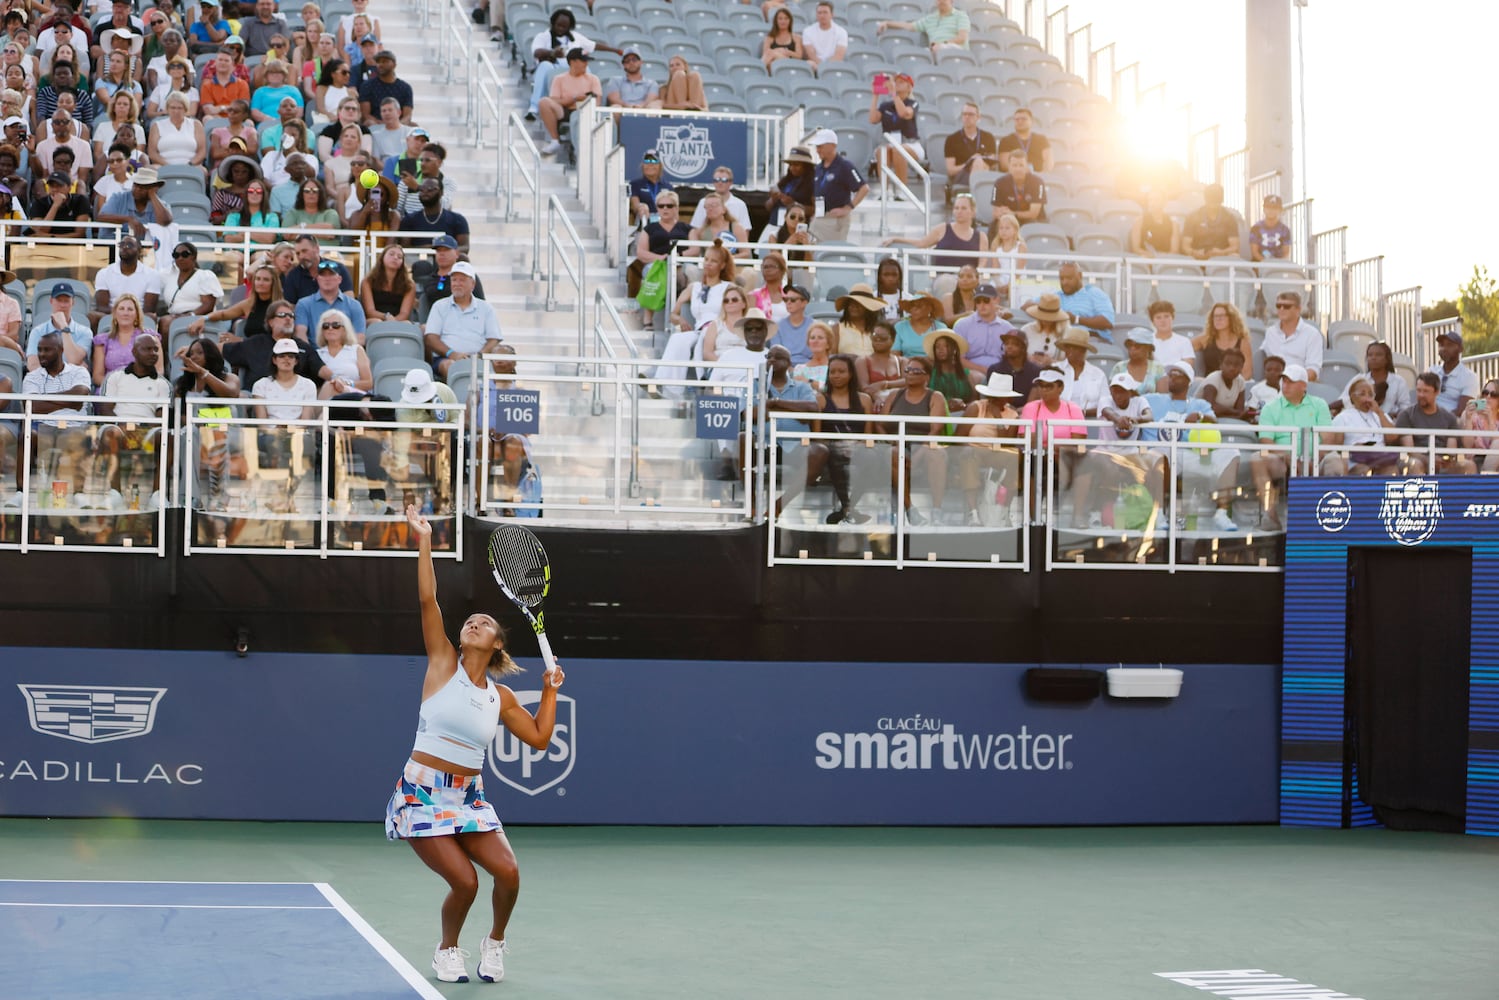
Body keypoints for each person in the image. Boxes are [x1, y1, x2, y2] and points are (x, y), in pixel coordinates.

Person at [386, 500, 563, 985]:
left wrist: (548, 691)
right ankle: (448, 950)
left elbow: (541, 739)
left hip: (469, 796)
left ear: (497, 644)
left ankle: (496, 942)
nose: (473, 623)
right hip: (421, 792)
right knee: (464, 882)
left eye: (484, 623)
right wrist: (423, 539)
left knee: (508, 874)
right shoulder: (442, 664)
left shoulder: (500, 696)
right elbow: (429, 602)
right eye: (470, 622)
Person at [1252, 363, 1331, 528]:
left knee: (1336, 461)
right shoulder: (1270, 408)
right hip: (1283, 460)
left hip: (1315, 458)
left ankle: (1330, 517)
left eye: (1291, 382)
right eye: (1284, 381)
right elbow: (1266, 442)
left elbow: (1328, 439)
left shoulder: (1319, 404)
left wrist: (1314, 460)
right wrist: (1291, 458)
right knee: (1257, 459)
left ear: (1303, 385)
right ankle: (1270, 515)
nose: (1285, 385)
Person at [96, 332, 170, 490]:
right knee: (110, 433)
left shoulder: (163, 383)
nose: (153, 353)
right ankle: (115, 493)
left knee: (167, 436)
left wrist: (142, 430)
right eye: (147, 349)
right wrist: (124, 426)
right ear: (134, 352)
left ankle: (158, 494)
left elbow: (163, 417)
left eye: (156, 350)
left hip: (147, 433)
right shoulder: (114, 377)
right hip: (120, 429)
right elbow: (105, 410)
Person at [881, 353, 949, 524]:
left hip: (924, 445)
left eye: (916, 371)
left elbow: (935, 430)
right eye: (908, 369)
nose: (910, 373)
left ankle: (937, 511)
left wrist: (917, 456)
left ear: (927, 376)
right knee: (895, 453)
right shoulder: (894, 395)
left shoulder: (935, 397)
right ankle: (911, 509)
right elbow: (880, 424)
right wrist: (890, 441)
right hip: (896, 445)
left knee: (937, 454)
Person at [815, 353, 873, 524]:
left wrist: (855, 446)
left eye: (841, 371)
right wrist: (838, 445)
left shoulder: (864, 400)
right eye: (832, 372)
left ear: (851, 374)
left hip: (858, 447)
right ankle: (849, 509)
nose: (836, 376)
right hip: (831, 447)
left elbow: (868, 436)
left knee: (874, 457)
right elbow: (817, 436)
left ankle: (846, 508)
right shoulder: (821, 399)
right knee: (835, 455)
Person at [425, 262, 501, 381]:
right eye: (454, 280)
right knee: (450, 365)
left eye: (462, 280)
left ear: (473, 284)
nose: (457, 284)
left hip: (478, 359)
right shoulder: (439, 306)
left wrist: (478, 357)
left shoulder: (486, 308)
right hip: (446, 358)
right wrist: (452, 354)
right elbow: (431, 338)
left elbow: (494, 339)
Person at [626, 191, 689, 325]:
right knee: (653, 273)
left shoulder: (686, 228)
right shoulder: (650, 228)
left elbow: (695, 249)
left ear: (676, 208)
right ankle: (648, 319)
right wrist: (661, 258)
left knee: (688, 273)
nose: (665, 209)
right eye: (661, 206)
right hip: (656, 264)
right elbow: (641, 253)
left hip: (680, 264)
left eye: (669, 205)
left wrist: (678, 257)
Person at [884, 192, 988, 272]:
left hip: (969, 280)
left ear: (973, 211)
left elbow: (982, 264)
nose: (959, 211)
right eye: (956, 208)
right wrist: (896, 239)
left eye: (964, 208)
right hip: (943, 277)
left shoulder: (981, 237)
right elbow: (921, 243)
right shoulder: (942, 229)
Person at [1397, 371, 1476, 475]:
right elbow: (1409, 450)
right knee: (1414, 464)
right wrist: (1429, 460)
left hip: (1442, 462)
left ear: (1437, 392)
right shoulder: (1406, 415)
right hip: (1417, 459)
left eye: (1426, 391)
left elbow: (1451, 450)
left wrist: (1445, 460)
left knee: (1468, 465)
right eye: (1419, 390)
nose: (1421, 395)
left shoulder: (1449, 418)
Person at [1321, 375, 1400, 477]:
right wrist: (1354, 448)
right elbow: (1336, 449)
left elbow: (1392, 438)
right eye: (1363, 394)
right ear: (1353, 397)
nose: (1368, 399)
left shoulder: (1381, 415)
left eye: (1371, 395)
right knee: (1364, 470)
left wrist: (1379, 412)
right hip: (1354, 461)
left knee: (1392, 470)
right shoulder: (1343, 417)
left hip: (1381, 459)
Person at [189, 262, 281, 340]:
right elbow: (223, 314)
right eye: (258, 279)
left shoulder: (281, 307)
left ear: (273, 283)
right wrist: (203, 319)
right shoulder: (249, 304)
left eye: (266, 280)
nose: (260, 283)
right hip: (249, 352)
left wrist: (239, 341)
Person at [808, 127, 867, 243]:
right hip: (819, 217)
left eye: (820, 146)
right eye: (817, 147)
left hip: (834, 219)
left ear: (832, 146)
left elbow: (864, 188)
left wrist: (848, 207)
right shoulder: (819, 168)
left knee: (830, 252)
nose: (817, 150)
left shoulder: (844, 166)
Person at [537, 47, 599, 158]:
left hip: (585, 111)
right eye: (583, 61)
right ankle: (555, 140)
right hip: (566, 110)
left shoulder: (593, 79)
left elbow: (597, 102)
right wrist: (574, 98)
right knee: (544, 102)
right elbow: (554, 100)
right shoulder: (559, 79)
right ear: (573, 62)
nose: (586, 64)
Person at [92, 233, 162, 328]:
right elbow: (102, 307)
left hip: (139, 315)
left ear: (139, 250)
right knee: (93, 316)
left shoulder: (152, 275)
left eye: (129, 245)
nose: (124, 247)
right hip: (111, 314)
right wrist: (122, 314)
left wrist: (130, 314)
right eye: (121, 245)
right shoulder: (104, 273)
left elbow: (149, 308)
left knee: (151, 317)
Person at [868, 72, 922, 185]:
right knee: (882, 151)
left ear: (909, 87)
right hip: (890, 143)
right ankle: (884, 191)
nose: (896, 84)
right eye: (895, 82)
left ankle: (901, 190)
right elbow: (873, 119)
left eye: (901, 82)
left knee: (899, 150)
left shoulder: (913, 103)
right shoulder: (886, 105)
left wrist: (893, 94)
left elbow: (904, 113)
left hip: (910, 143)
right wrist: (875, 96)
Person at [295, 258, 367, 341]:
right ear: (317, 279)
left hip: (346, 351)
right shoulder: (304, 304)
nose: (327, 278)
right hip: (314, 351)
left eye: (331, 274)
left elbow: (360, 337)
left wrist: (344, 353)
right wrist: (311, 354)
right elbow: (300, 334)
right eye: (323, 275)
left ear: (339, 279)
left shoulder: (354, 305)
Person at [159, 241, 221, 336]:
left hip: (198, 318)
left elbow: (208, 306)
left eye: (185, 254)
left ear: (194, 257)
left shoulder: (205, 276)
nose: (180, 258)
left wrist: (189, 315)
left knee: (166, 322)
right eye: (176, 255)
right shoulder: (169, 276)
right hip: (174, 316)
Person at [26, 282, 93, 370]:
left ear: (73, 302)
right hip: (44, 382)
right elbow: (33, 365)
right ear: (51, 301)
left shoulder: (85, 332)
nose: (62, 305)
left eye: (66, 301)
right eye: (59, 300)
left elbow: (73, 359)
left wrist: (64, 327)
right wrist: (66, 370)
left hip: (73, 382)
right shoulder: (38, 331)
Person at [952, 282, 1012, 375]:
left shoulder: (1007, 328)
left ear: (997, 300)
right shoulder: (962, 325)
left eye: (986, 300)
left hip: (1000, 371)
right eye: (978, 301)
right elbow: (958, 358)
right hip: (971, 370)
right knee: (975, 376)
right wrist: (984, 370)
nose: (982, 304)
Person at [1260, 291, 1322, 381]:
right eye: (1278, 306)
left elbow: (1313, 370)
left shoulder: (1312, 334)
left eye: (1287, 306)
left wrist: (1292, 383)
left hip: (1299, 386)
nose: (1281, 309)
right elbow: (1261, 357)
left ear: (1298, 309)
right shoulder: (1270, 332)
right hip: (1273, 385)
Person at [91, 293, 152, 386]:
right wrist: (115, 387)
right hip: (111, 389)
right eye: (121, 309)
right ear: (115, 313)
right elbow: (97, 376)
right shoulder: (102, 340)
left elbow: (159, 370)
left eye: (130, 309)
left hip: (141, 389)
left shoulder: (149, 337)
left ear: (137, 314)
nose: (125, 313)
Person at [252, 337, 318, 421]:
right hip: (269, 433)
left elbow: (305, 421)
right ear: (274, 360)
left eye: (291, 356)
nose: (286, 359)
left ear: (296, 361)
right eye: (281, 356)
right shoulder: (260, 385)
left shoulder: (308, 385)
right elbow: (262, 423)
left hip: (298, 433)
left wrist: (291, 430)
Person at [942, 101, 999, 198]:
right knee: (977, 161)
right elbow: (950, 170)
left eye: (971, 114)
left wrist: (978, 162)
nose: (967, 117)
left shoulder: (988, 137)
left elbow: (992, 163)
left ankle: (976, 197)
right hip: (962, 175)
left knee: (979, 162)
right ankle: (980, 197)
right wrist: (969, 163)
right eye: (964, 114)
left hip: (984, 170)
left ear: (978, 117)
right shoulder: (952, 139)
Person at [97, 164, 171, 236]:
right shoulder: (118, 197)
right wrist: (128, 219)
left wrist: (152, 195)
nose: (137, 189)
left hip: (147, 247)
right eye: (135, 185)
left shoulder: (160, 205)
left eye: (143, 186)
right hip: (114, 245)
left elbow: (166, 221)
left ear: (153, 189)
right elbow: (101, 217)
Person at [876, 0, 970, 57]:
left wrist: (942, 44)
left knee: (937, 49)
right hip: (934, 51)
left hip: (956, 51)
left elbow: (962, 38)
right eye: (938, 0)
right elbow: (909, 26)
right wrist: (887, 23)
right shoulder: (930, 19)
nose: (941, 1)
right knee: (920, 55)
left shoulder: (960, 15)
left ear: (951, 0)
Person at [1342, 341, 1410, 418]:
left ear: (1387, 359)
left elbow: (1405, 407)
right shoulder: (1359, 379)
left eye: (1378, 355)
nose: (1373, 358)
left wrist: (1390, 416)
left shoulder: (1399, 381)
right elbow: (1344, 400)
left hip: (1389, 425)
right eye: (1370, 355)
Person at [314, 308, 371, 398]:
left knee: (332, 385)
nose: (330, 328)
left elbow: (368, 383)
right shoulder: (317, 354)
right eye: (325, 326)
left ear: (345, 329)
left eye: (335, 325)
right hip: (326, 396)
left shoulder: (356, 350)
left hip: (353, 395)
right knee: (330, 385)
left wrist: (345, 384)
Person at [1048, 262, 1114, 338]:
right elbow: (1032, 305)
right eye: (1061, 278)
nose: (1065, 282)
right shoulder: (1056, 296)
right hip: (1062, 340)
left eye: (1069, 278)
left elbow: (1108, 322)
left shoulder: (1094, 293)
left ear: (1080, 276)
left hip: (1091, 339)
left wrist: (1076, 319)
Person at [1192, 301, 1254, 378]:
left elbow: (1247, 373)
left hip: (1234, 385)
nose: (1218, 319)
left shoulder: (1243, 342)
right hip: (1210, 385)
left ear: (1231, 318)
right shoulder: (1205, 339)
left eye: (1222, 315)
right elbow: (1185, 349)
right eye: (1215, 316)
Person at [1055, 326, 1107, 417]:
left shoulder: (1098, 374)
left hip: (1090, 422)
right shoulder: (1054, 370)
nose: (1069, 351)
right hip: (1058, 420)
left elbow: (1106, 405)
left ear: (1083, 350)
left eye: (1074, 347)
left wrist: (1080, 414)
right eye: (1067, 347)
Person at [990, 149, 1045, 232]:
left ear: (1027, 166)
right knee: (994, 225)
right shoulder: (999, 183)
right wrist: (1002, 213)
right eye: (1014, 165)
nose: (1018, 169)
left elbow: (1033, 214)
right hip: (1009, 220)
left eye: (1021, 165)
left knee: (1030, 224)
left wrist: (1013, 214)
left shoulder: (1038, 182)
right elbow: (995, 212)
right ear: (1009, 167)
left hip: (1033, 221)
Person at [1181, 183, 1240, 260]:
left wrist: (1222, 252)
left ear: (1222, 199)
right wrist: (1194, 252)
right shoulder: (1192, 217)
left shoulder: (1229, 218)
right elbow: (1185, 246)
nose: (1213, 201)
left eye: (1217, 197)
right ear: (1206, 198)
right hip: (1197, 257)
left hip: (1222, 257)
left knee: (1235, 257)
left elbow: (1234, 246)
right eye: (1211, 197)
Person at [145, 91, 205, 166]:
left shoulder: (196, 125)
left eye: (180, 108)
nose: (176, 111)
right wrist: (167, 165)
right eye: (172, 108)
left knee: (203, 171)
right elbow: (152, 153)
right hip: (163, 165)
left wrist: (190, 164)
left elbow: (202, 151)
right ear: (167, 109)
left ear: (185, 109)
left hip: (191, 165)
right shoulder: (156, 125)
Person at [361, 243, 417, 323]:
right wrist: (387, 317)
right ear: (382, 258)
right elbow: (370, 311)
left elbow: (404, 313)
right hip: (375, 319)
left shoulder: (409, 285)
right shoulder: (368, 281)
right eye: (391, 254)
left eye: (399, 257)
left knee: (406, 323)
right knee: (376, 322)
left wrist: (393, 322)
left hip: (398, 321)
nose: (395, 258)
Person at [1428, 328, 1477, 416]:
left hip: (1453, 423)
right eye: (1441, 345)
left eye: (1449, 345)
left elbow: (1462, 411)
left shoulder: (1469, 377)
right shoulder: (1432, 371)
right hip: (1428, 418)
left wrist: (1437, 420)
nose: (1444, 348)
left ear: (1461, 349)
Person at [688, 166, 752, 234]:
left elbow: (745, 231)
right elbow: (696, 228)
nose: (720, 183)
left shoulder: (740, 205)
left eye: (724, 180)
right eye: (717, 180)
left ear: (730, 182)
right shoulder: (703, 202)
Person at [357, 49, 413, 126]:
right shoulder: (367, 86)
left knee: (415, 127)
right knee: (368, 122)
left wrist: (396, 126)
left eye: (385, 61)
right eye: (378, 62)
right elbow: (365, 115)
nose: (380, 65)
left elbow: (407, 116)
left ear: (394, 65)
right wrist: (383, 125)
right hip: (375, 125)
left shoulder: (405, 88)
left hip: (398, 126)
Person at [984, 327, 1040, 403]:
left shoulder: (1035, 371)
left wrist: (1025, 410)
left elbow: (1033, 401)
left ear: (1023, 347)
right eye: (1006, 343)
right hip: (1001, 410)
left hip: (1026, 412)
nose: (1009, 346)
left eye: (1014, 344)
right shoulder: (994, 369)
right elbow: (993, 399)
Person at [27, 169, 92, 235]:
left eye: (59, 186)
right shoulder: (39, 203)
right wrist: (55, 206)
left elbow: (79, 233)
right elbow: (40, 230)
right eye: (51, 186)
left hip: (71, 244)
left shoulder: (81, 201)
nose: (55, 189)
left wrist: (53, 237)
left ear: (69, 188)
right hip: (46, 244)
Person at [765, 145, 815, 230]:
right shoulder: (785, 181)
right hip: (775, 223)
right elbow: (767, 207)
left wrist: (794, 204)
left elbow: (815, 210)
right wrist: (773, 199)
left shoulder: (813, 184)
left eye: (796, 165)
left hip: (795, 227)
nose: (792, 168)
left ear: (806, 166)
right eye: (790, 165)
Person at [925, 329, 973, 414]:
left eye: (946, 346)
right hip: (937, 416)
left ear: (954, 349)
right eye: (937, 347)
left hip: (964, 415)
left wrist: (963, 405)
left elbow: (974, 401)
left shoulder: (966, 374)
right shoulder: (930, 373)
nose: (941, 349)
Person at [830, 282, 884, 358]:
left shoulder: (879, 330)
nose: (854, 306)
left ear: (868, 307)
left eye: (859, 303)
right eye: (851, 303)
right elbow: (831, 357)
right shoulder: (837, 329)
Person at [891, 291, 948, 359]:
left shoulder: (940, 328)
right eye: (912, 305)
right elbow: (895, 356)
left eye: (919, 306)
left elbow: (945, 355)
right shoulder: (900, 327)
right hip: (907, 367)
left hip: (933, 367)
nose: (914, 309)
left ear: (930, 308)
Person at [1199, 347, 1250, 421]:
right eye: (1228, 363)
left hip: (1226, 418)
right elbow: (1209, 407)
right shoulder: (1213, 379)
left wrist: (1237, 414)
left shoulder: (1240, 381)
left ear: (1242, 367)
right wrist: (1234, 412)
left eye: (1237, 365)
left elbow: (1240, 410)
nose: (1232, 368)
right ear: (1221, 365)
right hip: (1203, 419)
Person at [996, 108, 1052, 173]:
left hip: (1038, 176)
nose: (1020, 121)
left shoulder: (1042, 139)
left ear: (1032, 121)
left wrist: (1041, 176)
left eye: (1023, 119)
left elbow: (1048, 162)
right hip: (1015, 176)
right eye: (1017, 120)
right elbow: (1005, 165)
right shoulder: (1006, 140)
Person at [1461, 378, 1499, 473]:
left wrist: (1490, 419)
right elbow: (1467, 446)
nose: (1488, 397)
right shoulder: (1471, 414)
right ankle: (1486, 479)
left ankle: (1486, 477)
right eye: (1485, 392)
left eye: (1494, 394)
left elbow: (1496, 444)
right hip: (1475, 460)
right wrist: (1468, 420)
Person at [1145, 300, 1196, 371]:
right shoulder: (1146, 341)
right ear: (1153, 321)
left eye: (1166, 316)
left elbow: (1187, 367)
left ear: (1172, 318)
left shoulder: (1184, 341)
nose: (1163, 320)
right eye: (1158, 317)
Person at [770, 283, 814, 364]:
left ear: (804, 302)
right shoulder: (778, 326)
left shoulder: (814, 326)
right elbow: (776, 354)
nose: (788, 302)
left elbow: (817, 354)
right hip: (783, 369)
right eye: (786, 299)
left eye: (793, 300)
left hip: (809, 369)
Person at [1110, 328, 1165, 394]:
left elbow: (1162, 398)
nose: (1132, 349)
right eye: (1129, 345)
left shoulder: (1158, 368)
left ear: (1148, 348)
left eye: (1137, 346)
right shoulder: (1119, 367)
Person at [856, 319, 903, 395]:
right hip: (873, 403)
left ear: (893, 340)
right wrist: (877, 397)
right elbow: (864, 388)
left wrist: (884, 384)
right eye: (874, 336)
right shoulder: (862, 361)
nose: (878, 339)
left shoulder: (901, 361)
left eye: (883, 337)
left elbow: (909, 381)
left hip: (897, 402)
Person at [605, 46, 661, 111]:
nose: (631, 63)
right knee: (615, 107)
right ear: (623, 64)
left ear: (641, 62)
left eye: (634, 59)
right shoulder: (615, 80)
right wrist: (629, 106)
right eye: (627, 61)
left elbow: (651, 99)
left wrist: (640, 106)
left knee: (655, 106)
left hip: (644, 112)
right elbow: (614, 99)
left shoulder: (651, 83)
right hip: (623, 112)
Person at [223, 176, 279, 240]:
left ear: (264, 195)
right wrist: (259, 235)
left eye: (259, 191)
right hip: (237, 250)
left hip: (262, 250)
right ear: (246, 194)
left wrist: (244, 233)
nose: (254, 193)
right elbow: (228, 239)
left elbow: (269, 239)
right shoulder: (233, 216)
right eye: (251, 191)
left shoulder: (272, 217)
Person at [627, 148, 671, 229]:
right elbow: (635, 205)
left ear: (660, 165)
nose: (650, 164)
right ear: (642, 165)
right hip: (643, 226)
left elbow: (674, 209)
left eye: (654, 161)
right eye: (647, 161)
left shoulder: (668, 186)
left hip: (664, 227)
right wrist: (641, 207)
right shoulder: (635, 184)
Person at [1129, 189, 1180, 257]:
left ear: (1164, 202)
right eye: (1150, 200)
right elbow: (1136, 248)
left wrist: (1161, 258)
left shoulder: (1173, 224)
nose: (1152, 203)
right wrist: (1151, 256)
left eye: (1156, 200)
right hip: (1145, 260)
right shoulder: (1139, 221)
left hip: (1165, 261)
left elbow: (1174, 250)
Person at [800, 1, 848, 68]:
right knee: (809, 63)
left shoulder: (841, 32)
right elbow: (811, 54)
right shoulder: (808, 31)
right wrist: (822, 67)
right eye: (819, 13)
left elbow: (838, 55)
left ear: (832, 15)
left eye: (825, 12)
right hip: (816, 65)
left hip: (834, 65)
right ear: (816, 15)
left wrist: (826, 67)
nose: (822, 15)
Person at [1250, 193, 1292, 262]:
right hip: (1259, 265)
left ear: (1280, 210)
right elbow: (1254, 252)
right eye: (1268, 207)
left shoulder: (1285, 230)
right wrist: (1266, 263)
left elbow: (1286, 253)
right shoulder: (1256, 228)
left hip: (1278, 267)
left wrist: (1276, 264)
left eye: (1274, 208)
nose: (1271, 210)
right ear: (1263, 209)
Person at [761, 7, 804, 72]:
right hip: (774, 65)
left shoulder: (796, 37)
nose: (783, 21)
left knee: (771, 53)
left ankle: (758, 70)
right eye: (780, 19)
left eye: (786, 18)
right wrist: (778, 50)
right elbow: (765, 54)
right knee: (770, 62)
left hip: (790, 63)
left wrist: (786, 52)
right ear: (776, 21)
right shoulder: (770, 37)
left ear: (790, 21)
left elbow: (799, 56)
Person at [793, 321, 833, 390]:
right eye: (812, 338)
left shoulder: (834, 368)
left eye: (820, 338)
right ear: (808, 343)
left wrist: (809, 381)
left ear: (828, 344)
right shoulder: (799, 368)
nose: (815, 341)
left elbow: (832, 390)